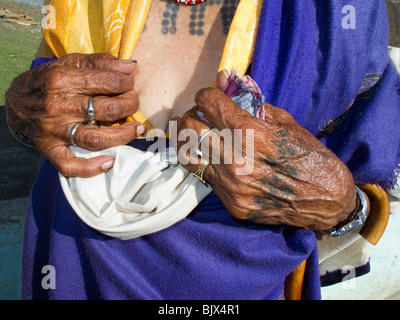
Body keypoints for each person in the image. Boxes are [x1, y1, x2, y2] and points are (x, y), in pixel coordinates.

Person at [4, 0, 400, 299]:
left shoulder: (340, 15)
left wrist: (340, 205)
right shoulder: (80, 9)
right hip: (71, 274)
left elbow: (367, 181)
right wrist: (23, 111)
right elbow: (45, 110)